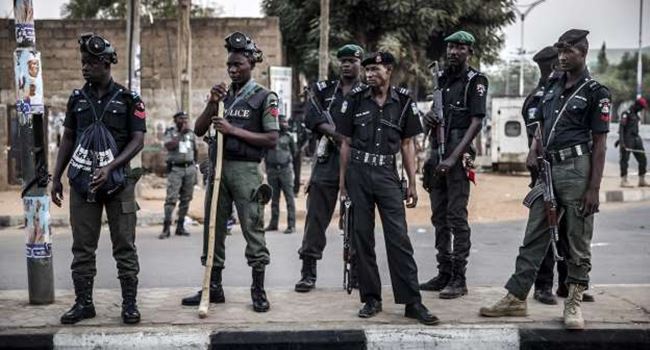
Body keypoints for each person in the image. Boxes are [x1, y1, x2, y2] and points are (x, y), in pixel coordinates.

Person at [480, 29, 610, 330]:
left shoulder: (595, 92)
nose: (562, 56)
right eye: (560, 50)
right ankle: (515, 298)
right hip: (548, 169)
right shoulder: (551, 86)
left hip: (578, 168)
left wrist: (594, 188)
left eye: (569, 51)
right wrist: (534, 148)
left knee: (577, 240)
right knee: (533, 236)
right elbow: (541, 124)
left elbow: (600, 144)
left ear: (583, 53)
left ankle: (574, 302)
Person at [338, 51, 438, 325]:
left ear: (389, 70)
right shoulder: (355, 100)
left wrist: (412, 182)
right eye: (367, 70)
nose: (369, 74)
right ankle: (371, 299)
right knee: (362, 238)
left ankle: (412, 302)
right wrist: (342, 185)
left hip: (386, 174)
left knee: (399, 239)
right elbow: (345, 142)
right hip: (358, 173)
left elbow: (407, 144)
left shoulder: (404, 102)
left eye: (375, 69)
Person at [52, 33, 145, 324]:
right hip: (83, 184)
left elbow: (138, 140)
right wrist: (56, 178)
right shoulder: (77, 99)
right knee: (82, 247)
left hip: (119, 183)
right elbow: (68, 138)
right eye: (83, 62)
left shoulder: (129, 99)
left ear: (106, 64)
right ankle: (84, 304)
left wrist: (112, 166)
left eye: (91, 63)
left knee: (125, 246)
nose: (85, 67)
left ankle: (129, 305)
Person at [185, 32, 279, 313]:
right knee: (213, 228)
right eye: (229, 65)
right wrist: (212, 102)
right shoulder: (224, 96)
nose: (232, 69)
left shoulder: (264, 96)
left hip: (246, 171)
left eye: (238, 64)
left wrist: (234, 130)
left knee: (253, 226)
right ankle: (213, 288)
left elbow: (272, 138)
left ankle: (258, 290)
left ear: (251, 63)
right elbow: (200, 130)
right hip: (217, 170)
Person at [523, 46, 596, 306]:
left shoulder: (568, 93)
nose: (559, 66)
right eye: (553, 64)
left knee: (569, 233)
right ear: (546, 68)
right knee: (546, 231)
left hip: (569, 172)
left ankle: (568, 284)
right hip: (544, 171)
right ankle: (542, 286)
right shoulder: (539, 98)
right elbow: (537, 138)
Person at [420, 30, 488, 299]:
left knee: (456, 217)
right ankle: (444, 273)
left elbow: (476, 122)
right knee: (438, 217)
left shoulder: (476, 81)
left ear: (470, 52)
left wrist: (452, 158)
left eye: (460, 48)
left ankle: (459, 279)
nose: (453, 52)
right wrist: (429, 121)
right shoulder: (441, 81)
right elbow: (433, 121)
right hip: (437, 153)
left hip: (458, 156)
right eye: (450, 48)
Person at [294, 44, 365, 292]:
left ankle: (356, 272)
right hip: (327, 162)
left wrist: (347, 139)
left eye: (352, 61)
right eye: (343, 61)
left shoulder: (366, 92)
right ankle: (308, 272)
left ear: (360, 64)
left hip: (355, 163)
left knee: (355, 221)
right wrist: (337, 135)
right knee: (315, 219)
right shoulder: (325, 90)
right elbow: (311, 118)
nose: (347, 65)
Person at [159, 111, 197, 239]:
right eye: (181, 118)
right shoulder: (170, 132)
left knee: (186, 198)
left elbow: (195, 150)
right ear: (175, 120)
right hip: (176, 169)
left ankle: (180, 226)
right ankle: (166, 228)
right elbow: (169, 146)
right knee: (171, 199)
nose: (184, 121)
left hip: (190, 169)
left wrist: (194, 165)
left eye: (186, 118)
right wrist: (181, 134)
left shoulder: (191, 133)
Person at [265, 114, 297, 234]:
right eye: (281, 122)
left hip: (285, 170)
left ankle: (291, 225)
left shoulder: (289, 137)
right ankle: (273, 224)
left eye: (285, 122)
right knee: (274, 198)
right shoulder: (270, 137)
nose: (284, 124)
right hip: (272, 171)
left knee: (289, 198)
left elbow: (295, 152)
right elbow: (265, 153)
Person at [618, 97, 648, 187]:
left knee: (643, 159)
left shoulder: (636, 115)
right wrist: (621, 142)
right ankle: (624, 181)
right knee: (624, 160)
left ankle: (641, 180)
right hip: (627, 139)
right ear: (637, 105)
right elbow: (621, 128)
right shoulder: (626, 113)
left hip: (636, 139)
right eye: (641, 107)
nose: (642, 109)